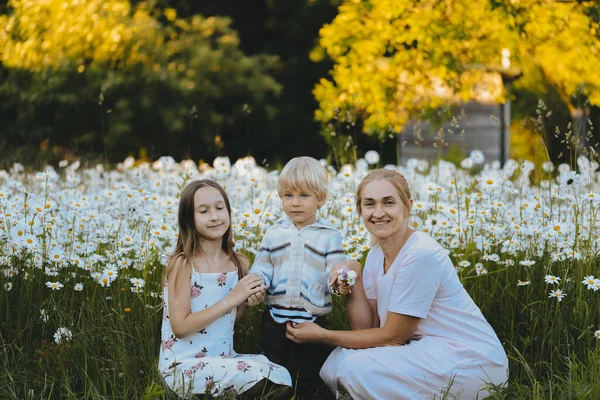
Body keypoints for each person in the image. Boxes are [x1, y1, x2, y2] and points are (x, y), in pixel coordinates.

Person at [286, 169, 509, 399]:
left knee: (353, 368)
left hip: (470, 360)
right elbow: (365, 329)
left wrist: (322, 334)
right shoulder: (376, 253)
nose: (378, 212)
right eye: (369, 204)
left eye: (389, 202)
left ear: (407, 206)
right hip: (426, 350)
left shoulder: (420, 254)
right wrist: (356, 276)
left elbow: (393, 337)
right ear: (360, 210)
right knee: (341, 359)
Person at [158, 179, 292, 398]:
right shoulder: (183, 264)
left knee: (279, 374)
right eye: (203, 211)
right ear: (188, 219)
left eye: (220, 208)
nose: (214, 216)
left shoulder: (238, 263)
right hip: (183, 365)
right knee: (258, 379)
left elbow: (231, 318)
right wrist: (232, 298)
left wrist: (247, 301)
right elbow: (180, 327)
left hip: (223, 358)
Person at [247, 156, 348, 399]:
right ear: (281, 197)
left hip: (313, 321)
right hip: (274, 320)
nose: (295, 203)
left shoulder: (329, 236)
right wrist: (258, 286)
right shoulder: (274, 233)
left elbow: (334, 269)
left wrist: (340, 283)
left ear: (321, 199)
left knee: (309, 374)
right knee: (270, 370)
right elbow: (261, 267)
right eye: (289, 196)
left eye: (304, 196)